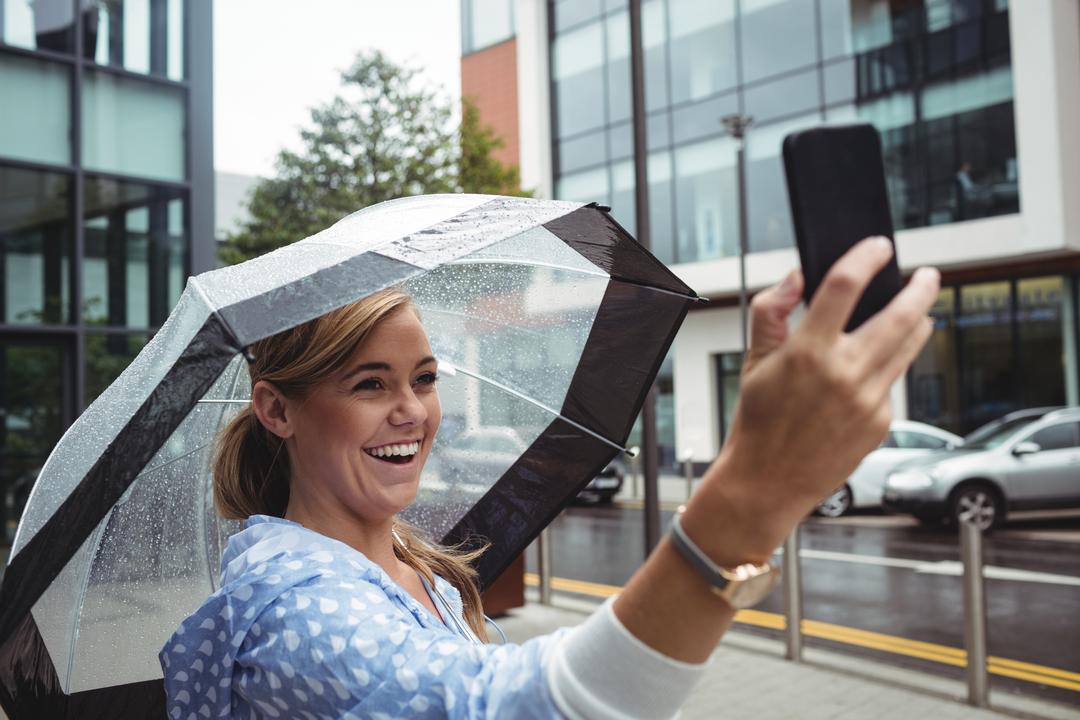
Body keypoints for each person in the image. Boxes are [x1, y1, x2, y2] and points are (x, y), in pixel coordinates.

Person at [161, 237, 939, 718]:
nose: (411, 411)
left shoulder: (413, 566)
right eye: (370, 385)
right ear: (278, 410)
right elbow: (511, 708)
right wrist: (750, 497)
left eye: (424, 378)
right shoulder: (292, 610)